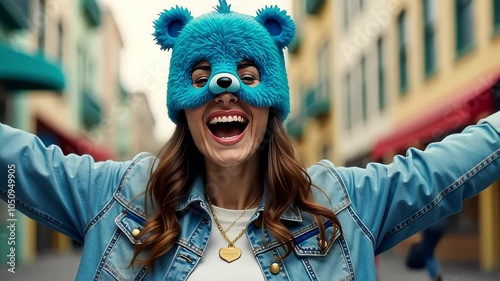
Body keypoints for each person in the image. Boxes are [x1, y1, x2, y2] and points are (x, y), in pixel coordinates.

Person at [1, 1, 499, 280]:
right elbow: (16, 159)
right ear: (184, 109)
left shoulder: (343, 205)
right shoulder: (117, 196)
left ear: (271, 105)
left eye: (246, 74)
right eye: (201, 76)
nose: (225, 87)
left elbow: (453, 165)